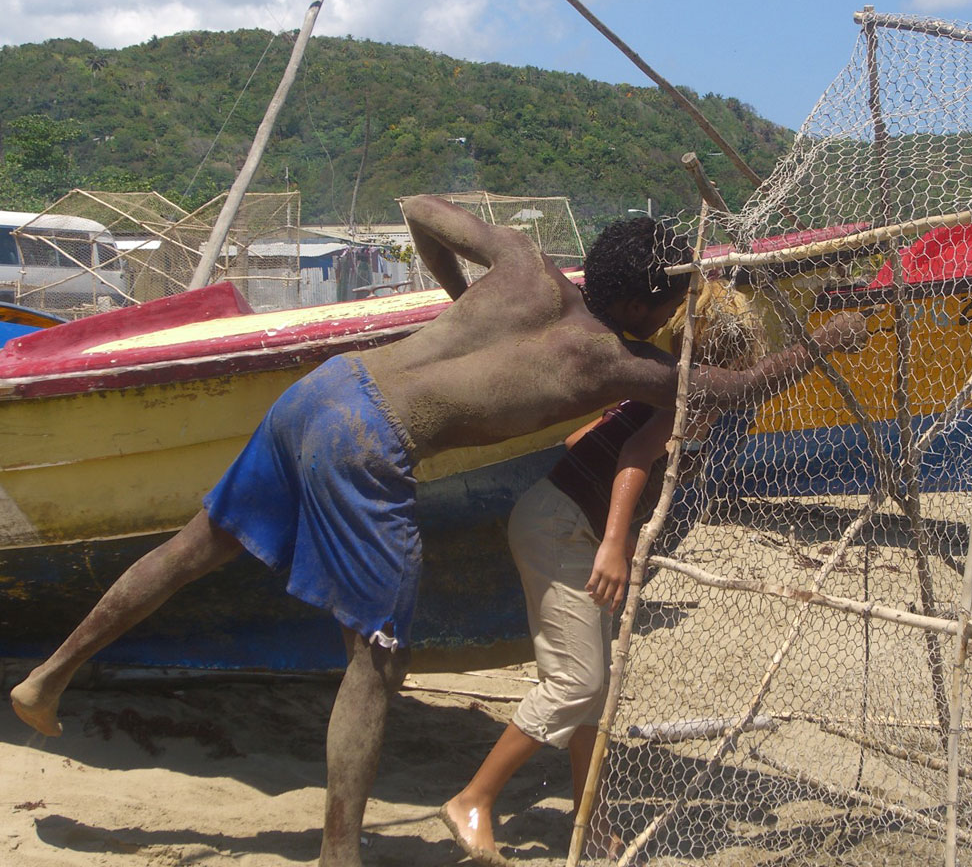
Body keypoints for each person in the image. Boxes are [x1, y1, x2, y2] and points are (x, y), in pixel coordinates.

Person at [9, 196, 867, 867]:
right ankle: (340, 852)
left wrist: (465, 301)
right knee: (377, 658)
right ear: (648, 301)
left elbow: (419, 208)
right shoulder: (615, 362)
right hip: (370, 445)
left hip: (323, 390)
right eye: (674, 298)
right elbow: (739, 387)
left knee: (200, 544)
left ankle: (48, 680)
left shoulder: (526, 267)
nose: (676, 313)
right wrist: (827, 338)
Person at [439, 286, 773, 865]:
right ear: (732, 356)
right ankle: (473, 799)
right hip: (566, 531)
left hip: (558, 519)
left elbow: (579, 441)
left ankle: (588, 822)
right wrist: (615, 543)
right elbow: (635, 456)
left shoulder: (659, 380)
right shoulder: (689, 395)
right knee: (576, 684)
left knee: (593, 693)